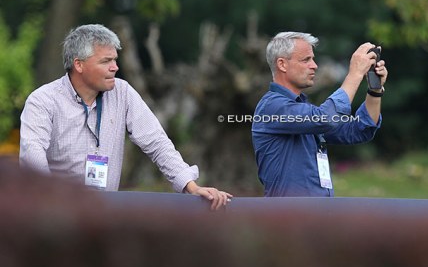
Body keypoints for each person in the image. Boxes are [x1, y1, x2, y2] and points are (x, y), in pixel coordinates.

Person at [20, 24, 232, 210]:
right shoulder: (42, 101)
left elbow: (156, 142)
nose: (115, 67)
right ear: (79, 65)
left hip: (105, 213)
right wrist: (50, 200)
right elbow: (32, 154)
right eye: (106, 61)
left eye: (115, 60)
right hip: (56, 214)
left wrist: (190, 186)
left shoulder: (122, 92)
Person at [251, 32, 388, 197]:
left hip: (317, 216)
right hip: (288, 219)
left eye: (313, 59)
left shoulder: (303, 110)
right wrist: (355, 74)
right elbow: (326, 119)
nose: (314, 65)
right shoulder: (272, 107)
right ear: (282, 64)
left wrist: (375, 90)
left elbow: (360, 130)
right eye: (306, 59)